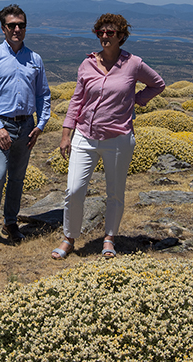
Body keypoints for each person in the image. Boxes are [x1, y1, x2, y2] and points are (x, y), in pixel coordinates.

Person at [53, 13, 166, 260]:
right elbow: (76, 100)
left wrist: (135, 101)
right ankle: (69, 237)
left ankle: (109, 238)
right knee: (73, 189)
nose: (105, 36)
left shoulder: (133, 64)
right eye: (101, 32)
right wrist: (66, 134)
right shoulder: (87, 64)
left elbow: (158, 84)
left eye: (111, 32)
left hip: (118, 137)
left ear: (121, 36)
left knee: (115, 192)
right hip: (85, 135)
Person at [0, 5, 53, 248]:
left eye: (21, 25)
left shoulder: (35, 59)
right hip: (1, 125)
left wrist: (40, 125)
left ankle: (10, 222)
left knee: (18, 179)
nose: (17, 29)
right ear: (3, 28)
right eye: (12, 25)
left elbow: (43, 95)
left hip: (27, 125)